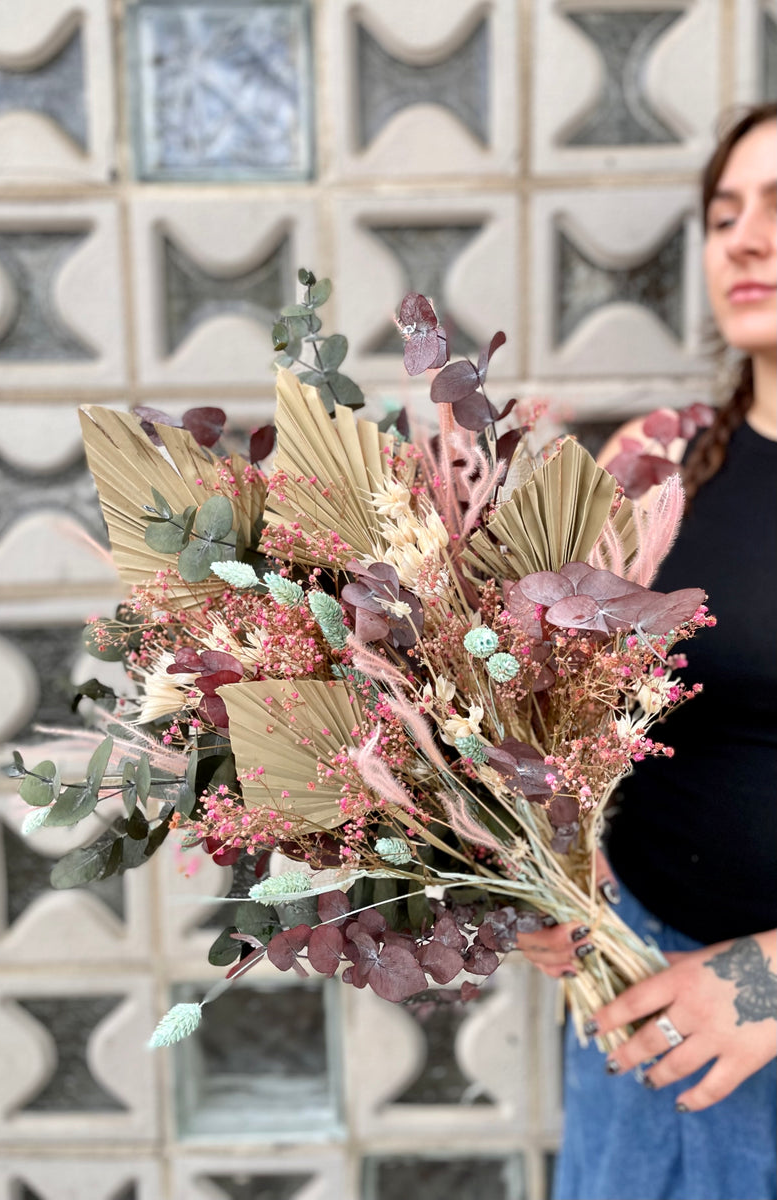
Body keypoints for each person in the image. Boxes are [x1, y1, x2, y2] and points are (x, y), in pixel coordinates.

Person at [517, 102, 777, 1200]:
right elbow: (557, 715)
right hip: (648, 1002)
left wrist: (766, 982)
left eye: (776, 208)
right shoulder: (656, 462)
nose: (742, 239)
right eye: (721, 214)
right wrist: (541, 873)